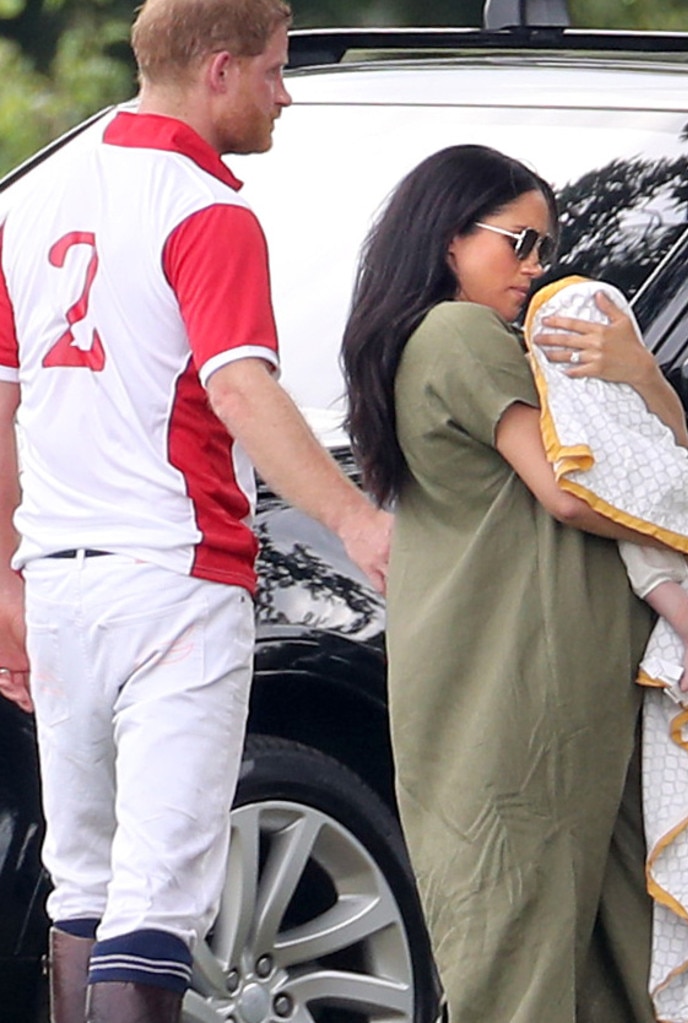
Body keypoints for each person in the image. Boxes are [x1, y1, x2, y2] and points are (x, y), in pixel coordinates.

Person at [0, 1, 391, 1022]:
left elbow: (1, 408)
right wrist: (355, 521)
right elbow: (243, 390)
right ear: (218, 69)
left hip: (58, 586)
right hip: (175, 577)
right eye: (271, 69)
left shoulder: (31, 202)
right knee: (160, 897)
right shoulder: (206, 210)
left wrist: (3, 574)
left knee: (83, 885)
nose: (284, 91)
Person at [341, 144, 688, 1023]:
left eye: (544, 249)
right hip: (521, 695)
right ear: (448, 239)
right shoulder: (456, 332)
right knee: (527, 963)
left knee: (610, 951)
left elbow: (651, 452)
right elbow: (575, 488)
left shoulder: (488, 344)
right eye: (518, 243)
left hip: (545, 689)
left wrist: (638, 370)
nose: (536, 269)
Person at [525, 275, 688, 696]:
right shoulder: (531, 389)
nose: (529, 266)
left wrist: (642, 369)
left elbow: (679, 442)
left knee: (650, 565)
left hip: (649, 484)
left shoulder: (625, 383)